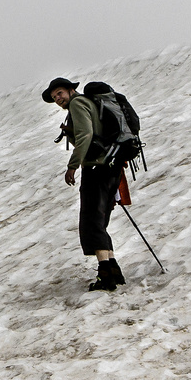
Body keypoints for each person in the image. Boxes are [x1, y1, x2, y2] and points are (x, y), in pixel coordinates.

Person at [42, 77, 126, 291]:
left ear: (71, 90)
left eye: (59, 93)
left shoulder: (78, 104)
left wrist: (73, 166)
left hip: (96, 167)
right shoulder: (89, 103)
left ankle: (105, 276)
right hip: (111, 166)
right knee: (100, 219)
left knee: (91, 220)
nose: (58, 99)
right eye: (54, 98)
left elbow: (85, 134)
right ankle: (113, 269)